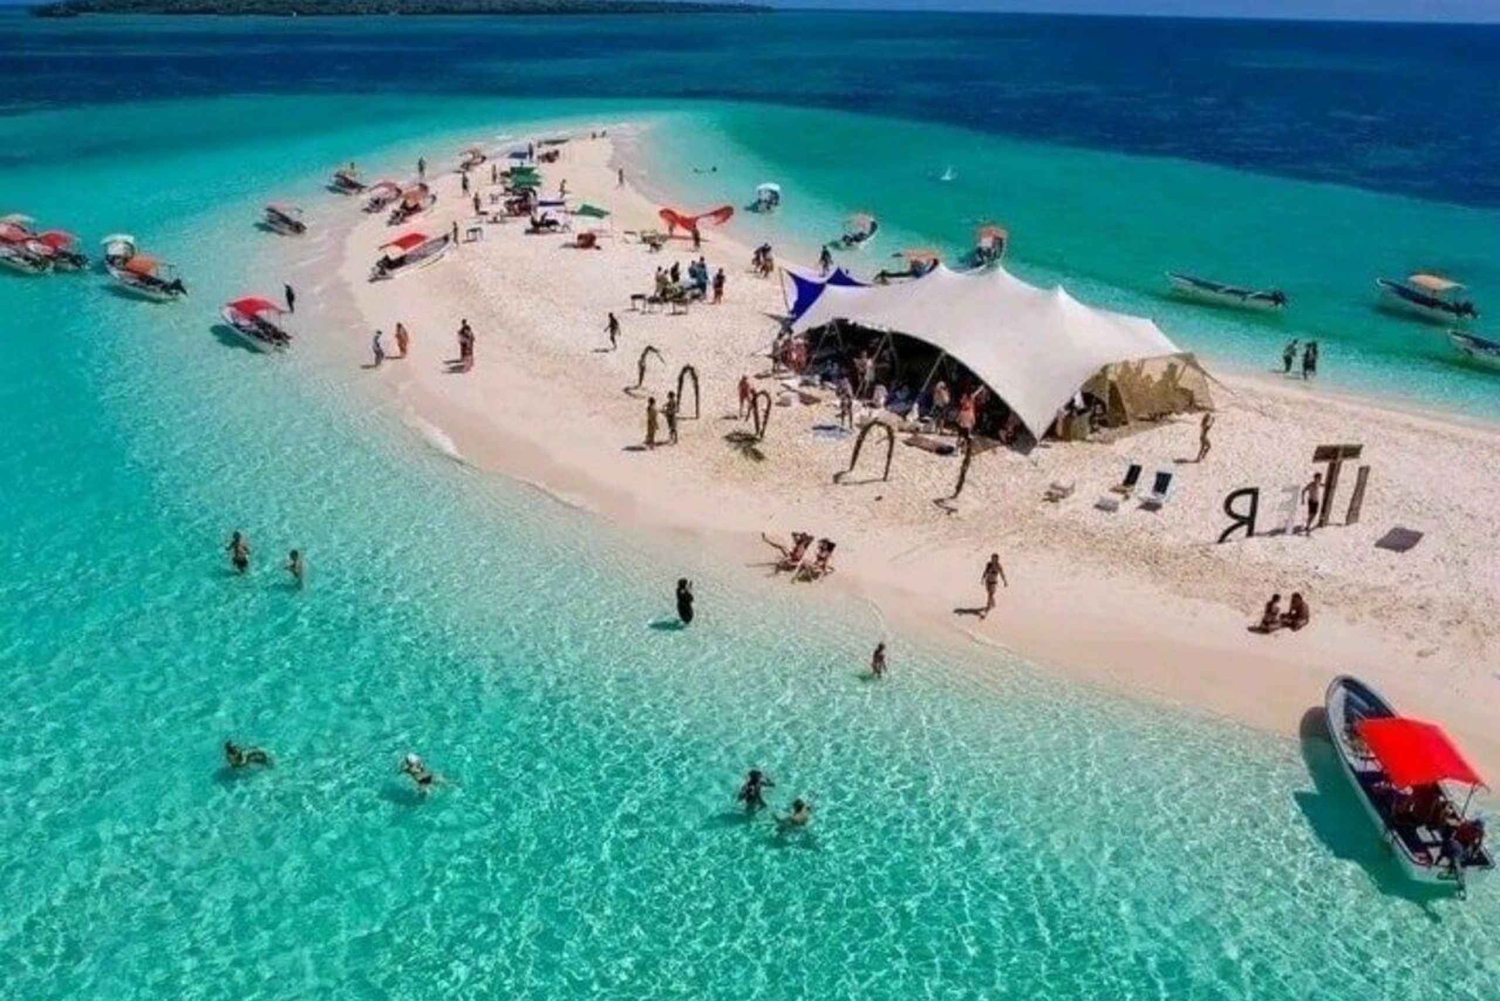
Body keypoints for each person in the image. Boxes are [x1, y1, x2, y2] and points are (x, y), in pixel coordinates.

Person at [980, 553, 1007, 619]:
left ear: (997, 559)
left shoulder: (999, 566)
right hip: (988, 582)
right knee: (989, 594)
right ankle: (993, 603)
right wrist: (982, 579)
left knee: (990, 594)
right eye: (992, 558)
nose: (993, 560)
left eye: (995, 559)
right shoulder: (989, 564)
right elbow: (985, 572)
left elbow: (1002, 574)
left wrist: (1005, 582)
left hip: (994, 583)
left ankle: (987, 608)